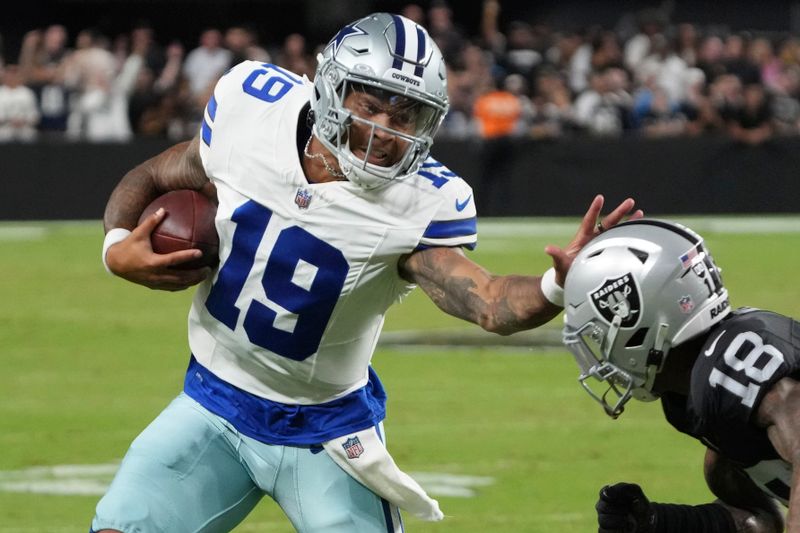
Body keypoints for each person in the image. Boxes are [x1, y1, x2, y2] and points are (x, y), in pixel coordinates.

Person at [94, 13, 641, 533]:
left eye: (405, 115)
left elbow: (489, 301)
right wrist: (116, 245)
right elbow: (159, 171)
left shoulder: (421, 200)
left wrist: (558, 282)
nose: (383, 130)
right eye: (371, 103)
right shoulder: (251, 110)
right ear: (332, 87)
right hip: (213, 401)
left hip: (325, 434)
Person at [561, 219, 798, 532]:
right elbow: (759, 523)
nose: (600, 355)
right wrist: (657, 522)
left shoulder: (738, 363)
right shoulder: (699, 404)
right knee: (718, 470)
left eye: (599, 335)